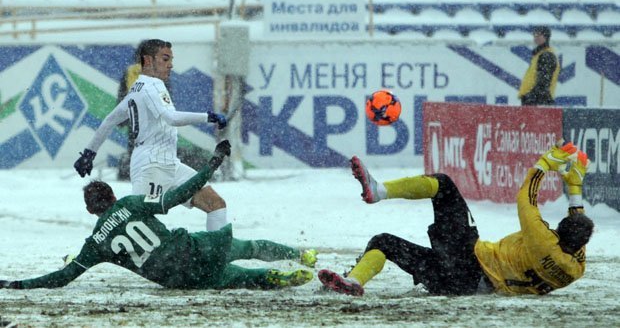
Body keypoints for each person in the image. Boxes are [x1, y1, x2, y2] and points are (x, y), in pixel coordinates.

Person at [0, 141, 314, 290]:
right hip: (193, 249)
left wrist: (14, 283)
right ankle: (301, 256)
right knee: (246, 247)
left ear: (90, 209)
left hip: (178, 280)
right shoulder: (134, 203)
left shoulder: (95, 243)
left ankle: (274, 278)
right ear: (112, 195)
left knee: (239, 278)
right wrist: (210, 165)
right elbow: (177, 196)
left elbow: (61, 278)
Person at [318, 140, 593, 296]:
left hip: (471, 262)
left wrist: (545, 163)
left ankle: (379, 191)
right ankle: (353, 283)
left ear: (556, 234)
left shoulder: (542, 240)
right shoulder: (574, 269)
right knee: (383, 242)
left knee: (445, 186)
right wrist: (575, 189)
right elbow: (577, 235)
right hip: (458, 285)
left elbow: (526, 198)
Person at [74, 39, 230, 232]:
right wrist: (209, 116)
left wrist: (89, 153)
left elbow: (109, 120)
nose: (171, 64)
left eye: (171, 59)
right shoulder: (152, 86)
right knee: (136, 223)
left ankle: (216, 257)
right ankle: (97, 252)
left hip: (169, 163)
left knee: (216, 204)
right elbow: (171, 118)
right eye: (165, 59)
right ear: (148, 60)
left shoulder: (137, 88)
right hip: (151, 165)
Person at [518, 26, 560, 106]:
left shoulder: (546, 55)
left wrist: (531, 96)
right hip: (536, 99)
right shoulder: (539, 54)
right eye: (534, 35)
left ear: (546, 37)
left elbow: (544, 82)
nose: (535, 38)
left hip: (539, 101)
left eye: (538, 35)